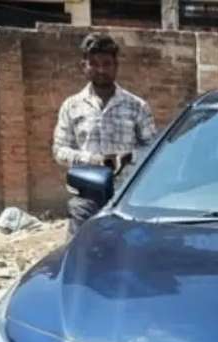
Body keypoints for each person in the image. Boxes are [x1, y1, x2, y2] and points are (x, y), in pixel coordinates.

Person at [53, 33, 157, 234]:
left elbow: (152, 149)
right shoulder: (71, 106)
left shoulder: (136, 106)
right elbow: (59, 151)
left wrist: (127, 157)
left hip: (126, 197)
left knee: (126, 256)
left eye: (107, 63)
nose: (101, 69)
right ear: (84, 65)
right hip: (85, 197)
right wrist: (94, 160)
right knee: (79, 255)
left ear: (116, 65)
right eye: (94, 63)